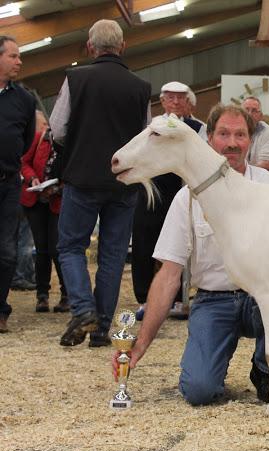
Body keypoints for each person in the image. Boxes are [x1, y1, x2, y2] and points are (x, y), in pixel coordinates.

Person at [113, 103, 269, 405]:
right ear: (209, 140)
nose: (232, 142)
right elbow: (168, 276)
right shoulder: (185, 199)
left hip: (260, 297)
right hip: (213, 300)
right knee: (199, 392)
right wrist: (139, 345)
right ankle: (213, 368)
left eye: (240, 134)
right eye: (223, 134)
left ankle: (264, 369)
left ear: (250, 140)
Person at [50, 19, 151, 347]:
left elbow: (58, 129)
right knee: (112, 254)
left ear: (91, 47)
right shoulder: (140, 87)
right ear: (123, 46)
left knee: (70, 246)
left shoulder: (75, 79)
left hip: (82, 178)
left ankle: (82, 309)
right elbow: (144, 136)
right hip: (123, 183)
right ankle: (102, 329)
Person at [132, 81, 199, 321]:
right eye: (170, 98)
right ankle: (143, 299)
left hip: (181, 194)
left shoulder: (196, 128)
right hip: (151, 193)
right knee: (143, 245)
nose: (176, 102)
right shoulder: (151, 127)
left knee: (181, 245)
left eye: (181, 97)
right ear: (162, 101)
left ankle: (180, 298)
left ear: (188, 101)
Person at [0, 35, 36, 334]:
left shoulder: (24, 99)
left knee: (7, 250)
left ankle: (1, 310)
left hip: (8, 184)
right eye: (13, 55)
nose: (19, 61)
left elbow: (24, 141)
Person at [20, 110, 69, 313]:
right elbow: (24, 161)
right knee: (41, 250)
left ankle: (66, 295)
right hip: (35, 200)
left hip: (57, 201)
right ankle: (42, 295)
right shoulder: (40, 140)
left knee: (57, 250)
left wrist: (56, 188)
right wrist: (33, 179)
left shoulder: (69, 145)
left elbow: (73, 172)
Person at [241, 96, 269, 171]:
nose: (249, 114)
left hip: (259, 179)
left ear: (261, 116)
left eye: (254, 111)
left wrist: (242, 170)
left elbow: (265, 165)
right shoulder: (231, 130)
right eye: (246, 110)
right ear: (239, 113)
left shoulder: (267, 132)